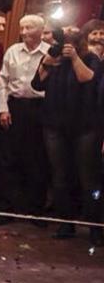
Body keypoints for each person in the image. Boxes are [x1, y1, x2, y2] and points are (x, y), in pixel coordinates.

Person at [32, 20, 102, 242]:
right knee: (60, 175)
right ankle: (65, 223)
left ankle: (95, 227)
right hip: (55, 124)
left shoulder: (90, 58)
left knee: (88, 177)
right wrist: (47, 62)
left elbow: (87, 79)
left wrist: (74, 58)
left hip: (85, 126)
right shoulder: (54, 57)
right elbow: (37, 84)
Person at [0, 14, 50, 224]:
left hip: (40, 108)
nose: (24, 32)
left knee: (37, 160)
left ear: (41, 30)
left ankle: (34, 210)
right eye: (22, 28)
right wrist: (3, 109)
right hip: (15, 107)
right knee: (9, 158)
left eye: (29, 28)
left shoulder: (49, 53)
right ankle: (5, 209)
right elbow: (3, 82)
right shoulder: (12, 51)